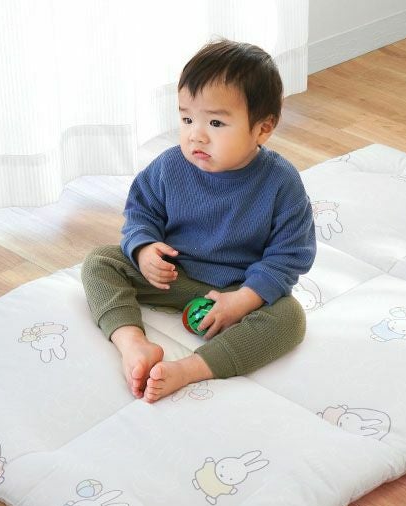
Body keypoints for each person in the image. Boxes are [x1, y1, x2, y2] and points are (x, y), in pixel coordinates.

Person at [81, 39, 316, 403]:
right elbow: (141, 212)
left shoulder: (281, 182)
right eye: (187, 119)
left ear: (262, 128)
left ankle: (191, 369)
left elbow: (289, 255)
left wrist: (243, 301)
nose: (196, 135)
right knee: (100, 261)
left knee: (290, 318)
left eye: (216, 122)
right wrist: (144, 249)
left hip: (238, 287)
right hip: (174, 276)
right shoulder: (170, 166)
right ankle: (132, 343)